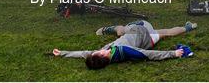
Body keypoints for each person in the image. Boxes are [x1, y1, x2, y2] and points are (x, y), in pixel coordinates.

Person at [52, 20, 197, 69]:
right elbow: (148, 54)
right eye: (101, 52)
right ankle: (189, 27)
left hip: (133, 33)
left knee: (121, 32)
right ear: (105, 57)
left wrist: (63, 53)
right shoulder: (124, 50)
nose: (99, 50)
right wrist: (173, 53)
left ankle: (108, 29)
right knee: (166, 33)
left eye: (96, 52)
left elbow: (83, 53)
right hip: (141, 29)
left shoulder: (102, 56)